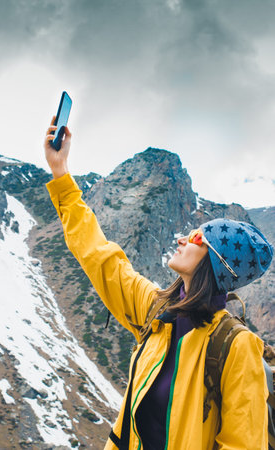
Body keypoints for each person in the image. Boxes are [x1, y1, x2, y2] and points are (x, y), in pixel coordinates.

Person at [44, 117, 273, 449]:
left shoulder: (237, 347)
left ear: (218, 262)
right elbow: (99, 255)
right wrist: (61, 173)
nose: (182, 239)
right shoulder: (156, 309)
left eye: (197, 237)